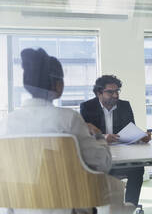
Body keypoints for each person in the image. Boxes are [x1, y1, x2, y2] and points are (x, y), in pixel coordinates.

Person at [0, 48, 115, 214]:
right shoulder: (68, 120)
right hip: (69, 208)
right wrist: (98, 136)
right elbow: (103, 163)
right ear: (58, 85)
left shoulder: (6, 124)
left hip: (18, 209)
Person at [80, 75, 150, 207]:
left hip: (123, 155)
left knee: (138, 168)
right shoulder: (87, 107)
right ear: (99, 93)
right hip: (100, 156)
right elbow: (83, 136)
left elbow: (131, 129)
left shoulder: (124, 106)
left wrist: (141, 136)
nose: (115, 95)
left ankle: (130, 206)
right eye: (110, 92)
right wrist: (103, 137)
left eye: (117, 91)